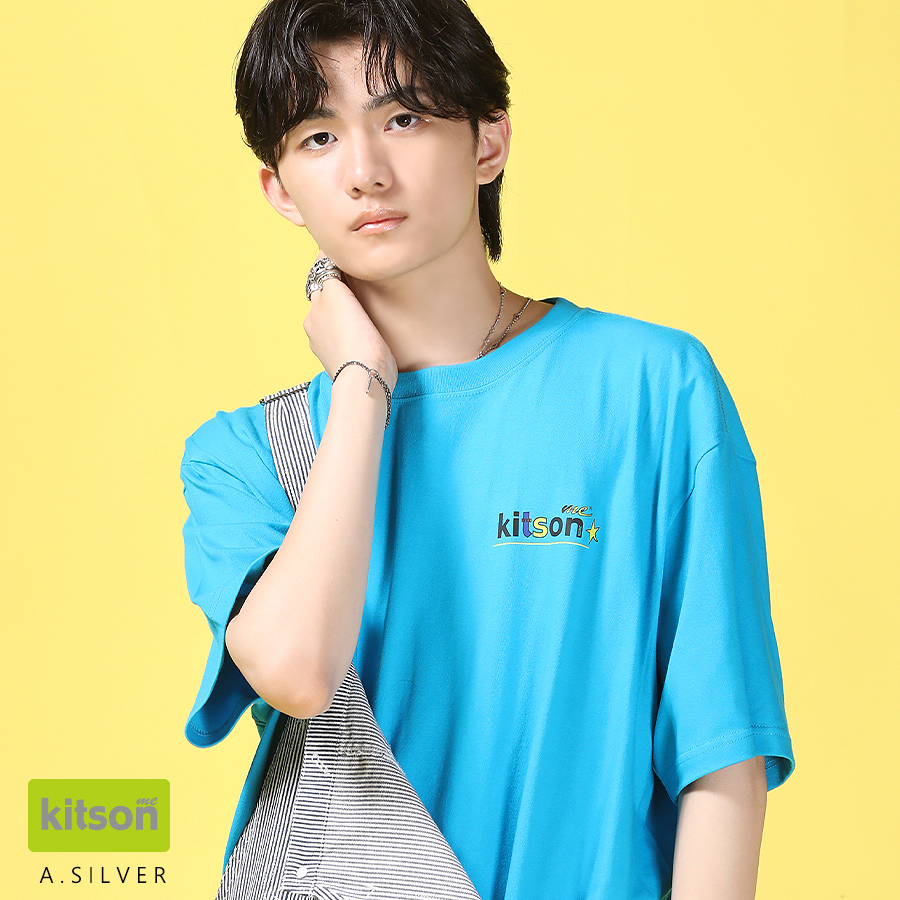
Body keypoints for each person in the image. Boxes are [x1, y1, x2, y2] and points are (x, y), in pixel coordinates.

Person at [180, 0, 794, 897]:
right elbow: (298, 672)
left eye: (403, 118)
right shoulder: (247, 455)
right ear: (278, 188)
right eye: (318, 137)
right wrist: (361, 383)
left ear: (488, 142)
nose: (365, 171)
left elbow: (720, 750)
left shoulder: (650, 387)